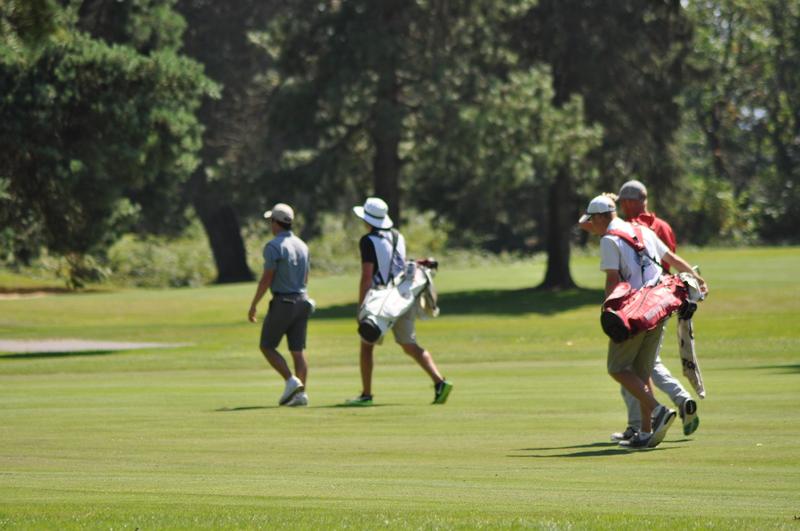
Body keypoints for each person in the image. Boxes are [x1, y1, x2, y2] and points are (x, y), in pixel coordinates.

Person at [579, 194, 707, 448]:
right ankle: (646, 432)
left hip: (633, 312)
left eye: (593, 220)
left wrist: (610, 312)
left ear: (602, 217)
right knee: (642, 371)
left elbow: (613, 280)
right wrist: (699, 280)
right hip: (659, 308)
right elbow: (672, 259)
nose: (591, 225)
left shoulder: (609, 240)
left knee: (617, 368)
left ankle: (659, 410)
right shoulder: (642, 230)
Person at [612, 180, 701, 440]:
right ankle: (670, 406)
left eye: (622, 202)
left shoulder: (629, 228)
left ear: (629, 202)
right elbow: (670, 261)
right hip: (664, 300)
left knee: (633, 367)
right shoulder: (663, 226)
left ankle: (643, 422)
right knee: (644, 363)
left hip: (638, 304)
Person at [344, 197, 453, 406]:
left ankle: (366, 395)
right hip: (402, 297)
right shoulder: (397, 236)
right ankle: (440, 382)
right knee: (408, 344)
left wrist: (361, 307)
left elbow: (367, 276)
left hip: (380, 301)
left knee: (366, 344)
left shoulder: (367, 241)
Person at [248, 203, 311, 407]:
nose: (270, 225)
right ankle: (300, 395)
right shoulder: (302, 245)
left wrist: (254, 304)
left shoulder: (273, 246)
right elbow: (306, 277)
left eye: (271, 221)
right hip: (303, 300)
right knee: (297, 351)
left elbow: (267, 278)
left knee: (267, 346)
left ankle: (292, 382)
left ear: (276, 222)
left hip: (284, 302)